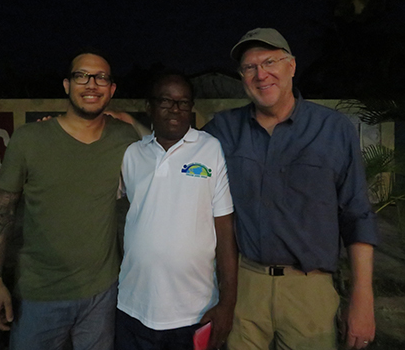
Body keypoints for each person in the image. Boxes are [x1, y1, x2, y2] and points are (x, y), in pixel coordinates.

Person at [203, 28, 379, 350]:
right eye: (249, 67)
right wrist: (126, 126)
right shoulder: (224, 129)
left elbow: (357, 214)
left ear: (291, 66)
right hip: (246, 288)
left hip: (309, 291)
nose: (261, 74)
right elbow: (178, 152)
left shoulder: (333, 129)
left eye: (270, 62)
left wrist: (362, 297)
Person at [0, 50, 140, 350]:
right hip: (39, 296)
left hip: (102, 294)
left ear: (112, 89)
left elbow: (162, 151)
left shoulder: (124, 137)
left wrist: (130, 118)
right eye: (82, 76)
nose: (91, 84)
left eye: (101, 77)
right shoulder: (30, 139)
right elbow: (1, 211)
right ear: (67, 85)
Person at [115, 73, 238, 350]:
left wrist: (228, 304)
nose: (175, 109)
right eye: (166, 101)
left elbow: (225, 232)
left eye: (183, 103)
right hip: (133, 308)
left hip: (194, 312)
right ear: (149, 106)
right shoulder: (131, 154)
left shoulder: (210, 149)